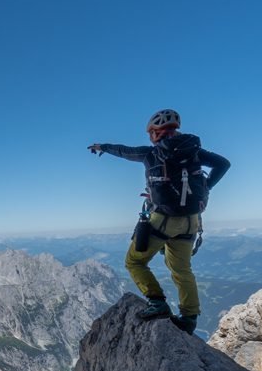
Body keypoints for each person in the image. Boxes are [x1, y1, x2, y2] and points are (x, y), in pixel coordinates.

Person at [88, 109, 230, 334]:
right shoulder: (195, 152)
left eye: (151, 134)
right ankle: (189, 319)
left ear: (155, 133)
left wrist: (102, 147)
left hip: (163, 220)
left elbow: (125, 151)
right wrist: (206, 186)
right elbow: (224, 164)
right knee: (182, 271)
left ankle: (157, 303)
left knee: (134, 262)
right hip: (192, 222)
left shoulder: (150, 154)